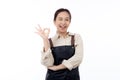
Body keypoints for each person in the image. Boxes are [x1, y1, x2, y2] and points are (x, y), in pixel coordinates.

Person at [35, 8, 83, 80]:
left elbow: (78, 58)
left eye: (66, 19)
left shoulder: (76, 37)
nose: (63, 22)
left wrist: (57, 68)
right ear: (54, 22)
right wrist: (45, 40)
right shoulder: (50, 41)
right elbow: (48, 64)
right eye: (60, 19)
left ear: (69, 22)